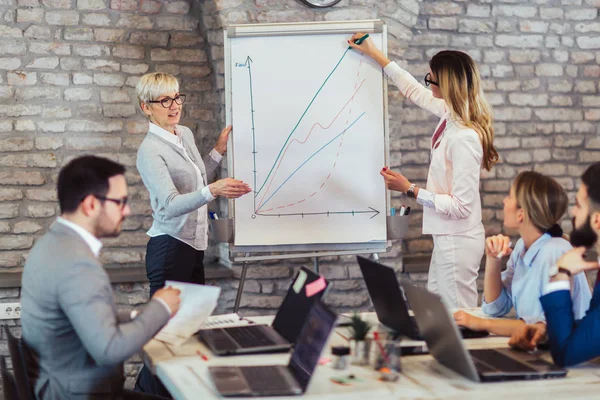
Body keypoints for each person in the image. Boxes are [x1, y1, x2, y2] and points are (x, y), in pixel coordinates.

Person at [348, 34, 498, 308]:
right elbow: (412, 90)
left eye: (431, 80)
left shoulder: (463, 137)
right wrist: (376, 55)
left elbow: (462, 206)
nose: (427, 84)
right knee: (439, 313)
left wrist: (410, 190)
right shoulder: (450, 114)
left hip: (458, 240)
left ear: (448, 85)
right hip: (448, 238)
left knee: (459, 319)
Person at [21, 156, 181, 400]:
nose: (127, 210)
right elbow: (110, 349)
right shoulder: (76, 264)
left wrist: (136, 317)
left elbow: (77, 316)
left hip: (60, 384)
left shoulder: (53, 244)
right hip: (81, 393)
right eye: (120, 202)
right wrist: (161, 308)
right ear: (91, 205)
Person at [135, 72, 251, 298]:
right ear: (146, 108)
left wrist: (218, 150)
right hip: (170, 247)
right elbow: (171, 204)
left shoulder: (184, 133)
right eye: (164, 100)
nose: (175, 106)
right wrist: (214, 190)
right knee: (169, 328)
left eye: (177, 97)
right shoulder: (149, 151)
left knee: (192, 324)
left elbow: (197, 180)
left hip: (195, 247)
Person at [453, 171, 591, 337]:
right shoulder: (522, 247)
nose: (504, 201)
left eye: (510, 197)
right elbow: (495, 307)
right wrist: (493, 259)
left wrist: (480, 324)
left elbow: (541, 328)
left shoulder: (556, 252)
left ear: (521, 214)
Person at [509, 162, 600, 367]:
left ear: (597, 221)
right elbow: (590, 334)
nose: (573, 213)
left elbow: (566, 355)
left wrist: (560, 274)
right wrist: (545, 331)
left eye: (578, 205)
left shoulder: (557, 250)